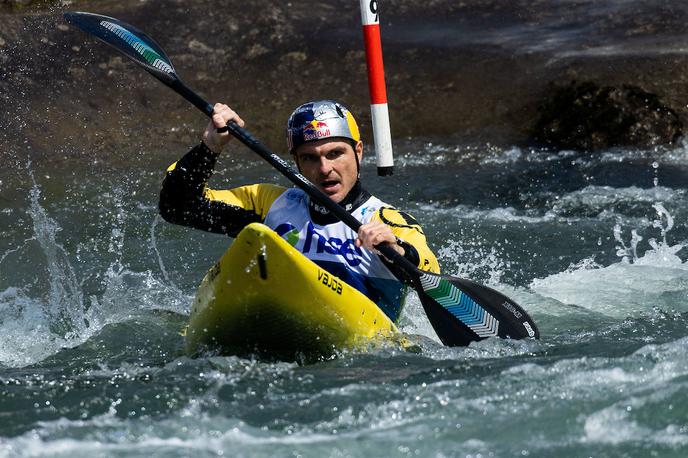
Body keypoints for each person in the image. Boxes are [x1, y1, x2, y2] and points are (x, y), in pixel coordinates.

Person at [159, 100, 439, 322]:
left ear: (359, 151)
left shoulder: (387, 221)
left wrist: (396, 251)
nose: (324, 168)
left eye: (335, 153)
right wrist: (209, 148)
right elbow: (178, 207)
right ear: (296, 162)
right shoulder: (269, 204)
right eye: (309, 158)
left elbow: (432, 277)